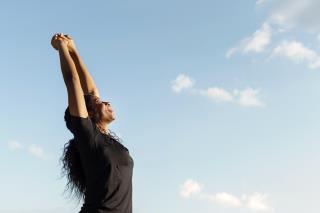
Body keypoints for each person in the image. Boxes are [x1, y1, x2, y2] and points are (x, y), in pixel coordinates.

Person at [51, 33, 134, 213]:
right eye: (99, 103)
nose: (106, 102)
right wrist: (61, 47)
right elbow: (73, 82)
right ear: (88, 114)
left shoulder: (107, 141)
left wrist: (74, 49)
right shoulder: (88, 135)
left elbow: (91, 91)